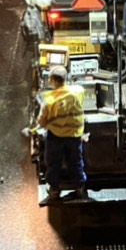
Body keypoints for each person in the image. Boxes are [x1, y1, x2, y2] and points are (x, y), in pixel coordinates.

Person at [38, 65, 88, 203]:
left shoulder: (49, 99)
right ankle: (80, 189)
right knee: (76, 162)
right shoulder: (78, 91)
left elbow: (42, 122)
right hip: (74, 135)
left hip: (56, 137)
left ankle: (54, 190)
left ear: (52, 80)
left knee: (53, 163)